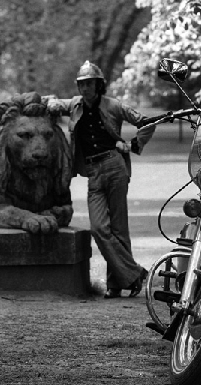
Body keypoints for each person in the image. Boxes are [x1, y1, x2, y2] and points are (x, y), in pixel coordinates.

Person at [48, 61, 155, 299]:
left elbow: (147, 122)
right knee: (98, 228)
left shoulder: (113, 106)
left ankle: (115, 285)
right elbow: (53, 103)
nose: (85, 88)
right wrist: (46, 102)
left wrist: (133, 145)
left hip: (115, 166)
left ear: (99, 84)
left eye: (90, 83)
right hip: (93, 171)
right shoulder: (75, 105)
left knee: (118, 228)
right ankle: (134, 274)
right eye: (81, 84)